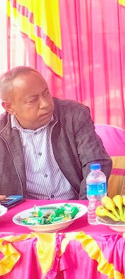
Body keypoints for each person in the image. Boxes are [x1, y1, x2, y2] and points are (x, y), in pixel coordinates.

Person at [0, 66, 112, 200]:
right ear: (10, 107)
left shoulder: (74, 115)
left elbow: (95, 161)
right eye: (33, 100)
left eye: (46, 93)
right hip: (25, 210)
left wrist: (87, 205)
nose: (45, 104)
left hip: (75, 204)